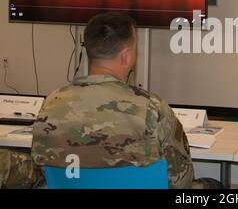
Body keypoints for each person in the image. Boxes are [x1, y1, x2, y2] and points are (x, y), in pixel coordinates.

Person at [29, 12, 221, 189]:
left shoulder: (52, 102)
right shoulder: (152, 108)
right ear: (127, 56)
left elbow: (43, 168)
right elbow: (180, 180)